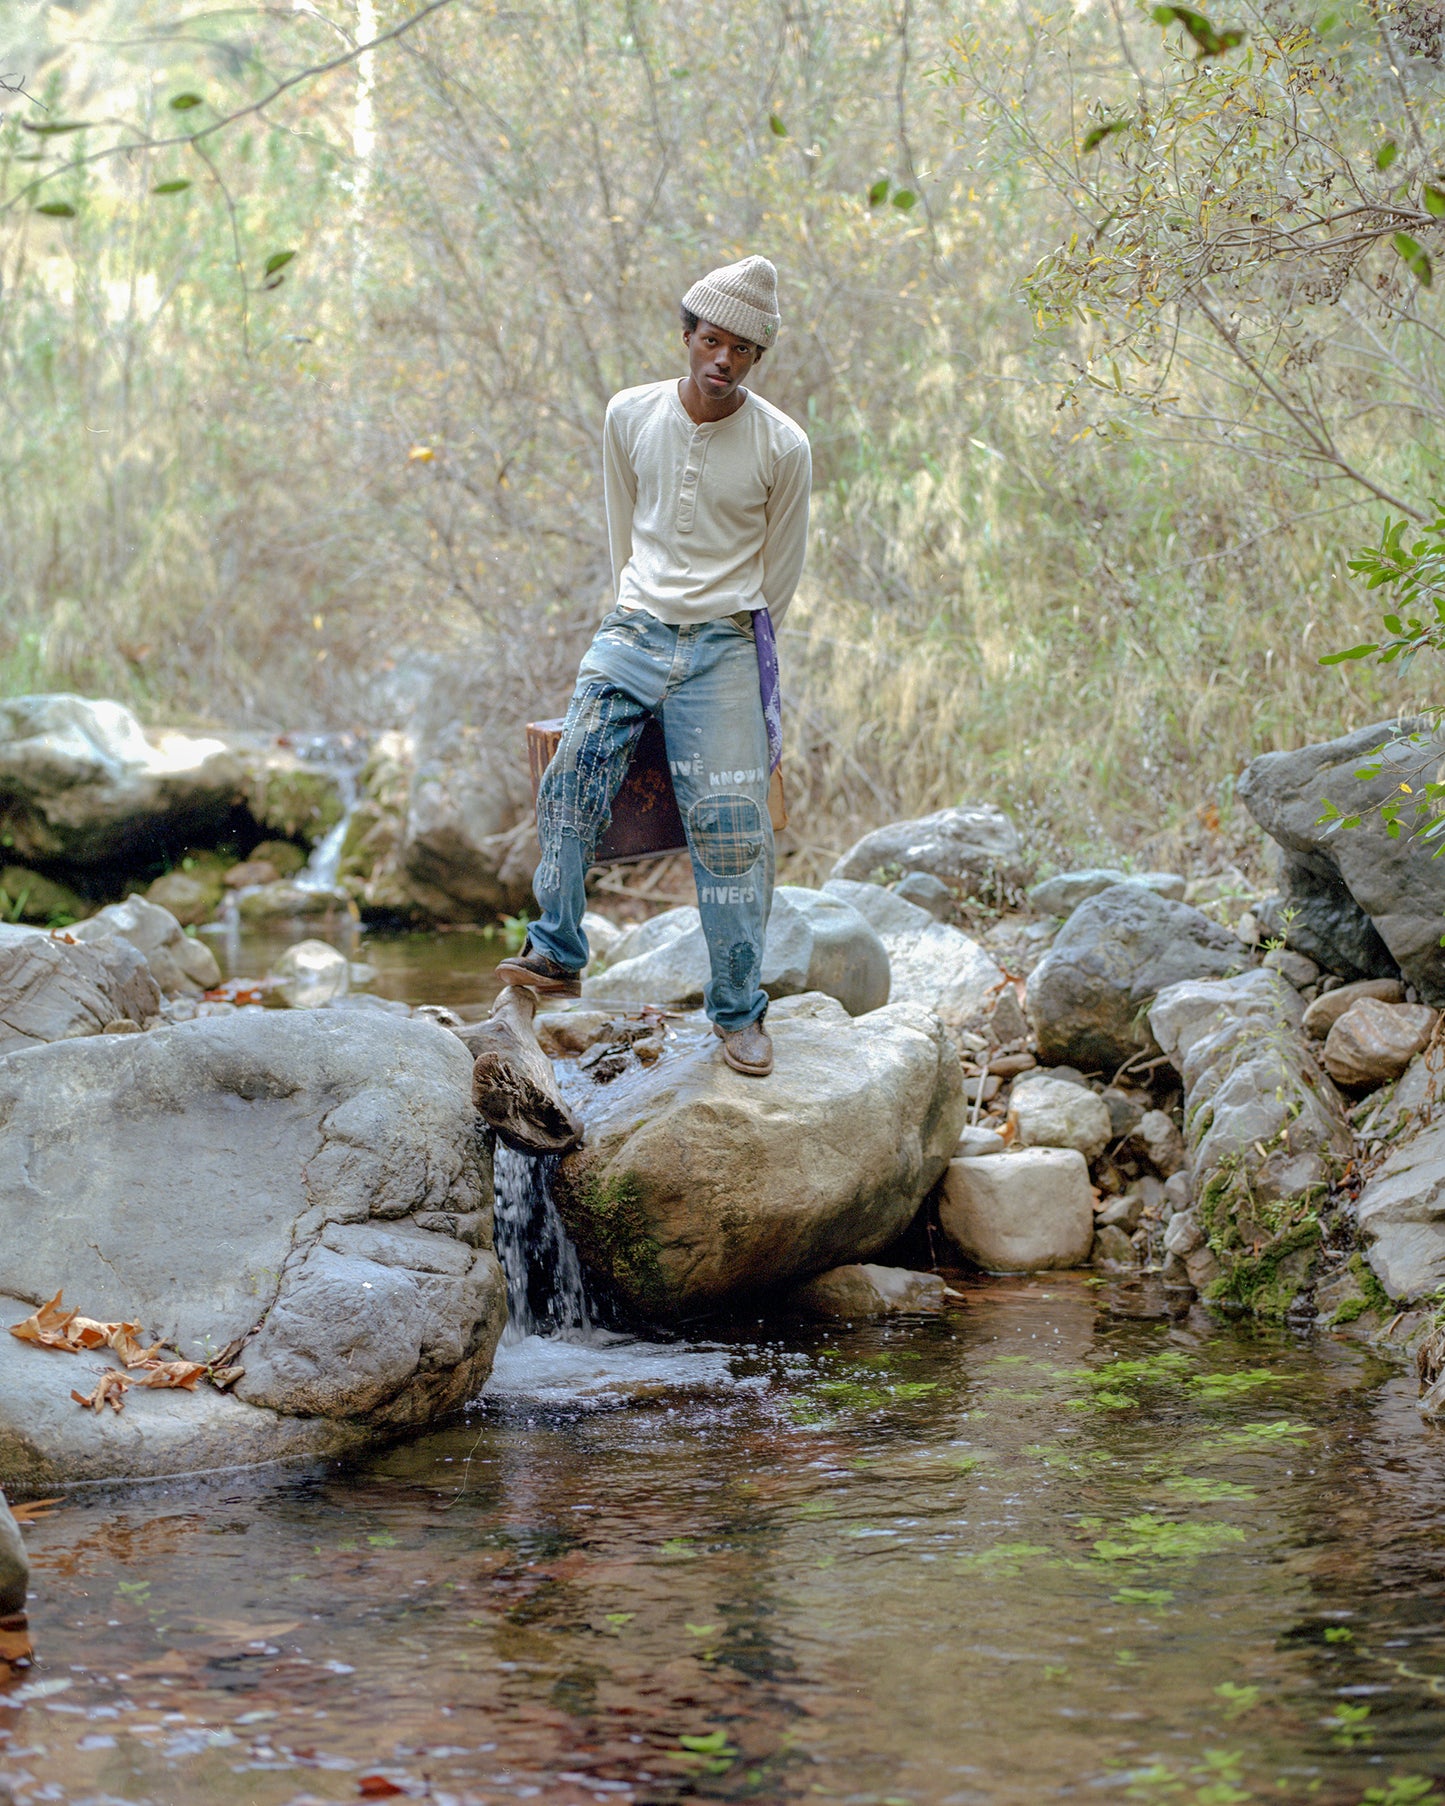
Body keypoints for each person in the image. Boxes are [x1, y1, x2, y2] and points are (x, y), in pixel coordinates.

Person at [496, 254, 812, 1077]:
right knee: (570, 780)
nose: (722, 360)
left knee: (733, 829)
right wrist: (641, 608)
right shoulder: (628, 414)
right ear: (686, 336)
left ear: (754, 360)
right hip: (633, 629)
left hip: (722, 646)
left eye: (741, 351)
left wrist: (722, 627)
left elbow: (780, 574)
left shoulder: (783, 444)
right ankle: (557, 951)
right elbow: (619, 526)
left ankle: (738, 1012)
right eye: (711, 341)